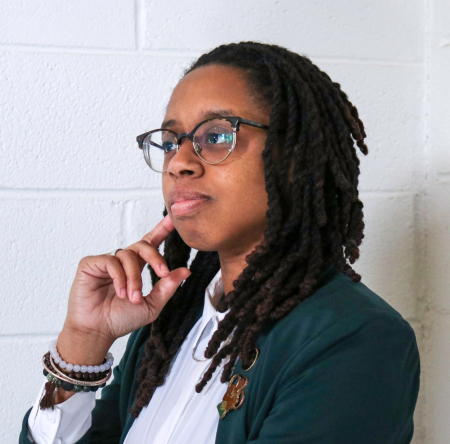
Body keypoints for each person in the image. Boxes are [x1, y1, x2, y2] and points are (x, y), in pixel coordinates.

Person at [19, 41, 420, 444]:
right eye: (172, 141)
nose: (179, 162)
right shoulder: (169, 320)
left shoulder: (355, 338)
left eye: (215, 136)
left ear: (293, 156)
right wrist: (83, 344)